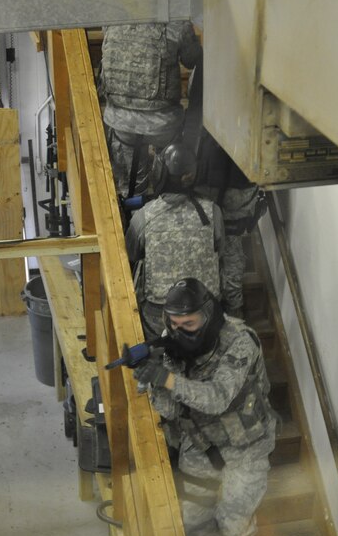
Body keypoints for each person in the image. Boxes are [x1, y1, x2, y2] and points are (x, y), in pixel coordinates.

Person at [133, 278, 277, 536]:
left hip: (246, 448)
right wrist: (151, 381)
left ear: (208, 315)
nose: (180, 330)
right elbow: (172, 408)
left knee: (230, 522)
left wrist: (166, 379)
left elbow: (217, 399)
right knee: (195, 526)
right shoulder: (169, 339)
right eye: (174, 323)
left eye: (189, 322)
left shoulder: (240, 341)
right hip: (200, 444)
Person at [125, 143, 224, 340]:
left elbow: (131, 254)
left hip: (161, 314)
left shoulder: (144, 216)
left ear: (159, 173)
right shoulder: (212, 211)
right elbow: (219, 251)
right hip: (206, 311)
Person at [100, 21, 202, 197]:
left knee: (131, 191)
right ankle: (164, 206)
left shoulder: (112, 15)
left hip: (121, 122)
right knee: (170, 184)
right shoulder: (175, 19)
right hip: (162, 125)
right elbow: (193, 58)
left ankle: (135, 215)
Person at [194, 130, 267, 318]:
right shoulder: (253, 134)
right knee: (230, 261)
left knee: (210, 259)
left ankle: (226, 312)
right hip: (236, 191)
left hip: (215, 197)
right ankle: (233, 313)